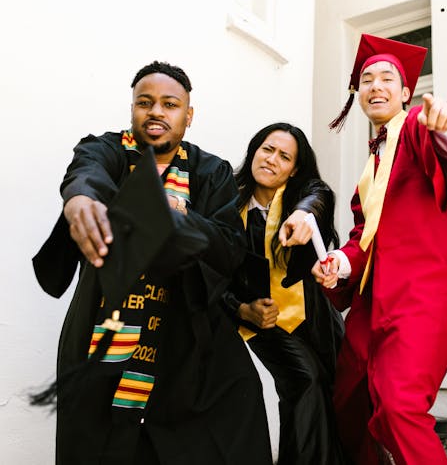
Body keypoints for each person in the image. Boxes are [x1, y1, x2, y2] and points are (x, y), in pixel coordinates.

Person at [31, 61, 272, 464]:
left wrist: (178, 218)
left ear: (188, 115)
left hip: (188, 337)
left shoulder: (211, 172)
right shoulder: (106, 149)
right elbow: (86, 174)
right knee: (102, 446)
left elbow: (229, 247)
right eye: (145, 102)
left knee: (222, 437)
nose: (156, 111)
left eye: (170, 104)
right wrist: (81, 201)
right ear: (133, 108)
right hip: (106, 326)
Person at [311, 34, 447, 464]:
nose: (376, 85)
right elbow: (365, 233)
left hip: (424, 293)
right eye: (367, 79)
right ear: (358, 94)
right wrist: (341, 262)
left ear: (405, 93)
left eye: (387, 78)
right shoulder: (372, 165)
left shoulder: (418, 127)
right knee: (350, 395)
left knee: (399, 406)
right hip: (375, 297)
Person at [222, 122, 346, 464]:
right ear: (253, 152)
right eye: (267, 149)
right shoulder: (228, 205)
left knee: (337, 391)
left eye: (284, 156)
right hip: (265, 317)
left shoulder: (304, 198)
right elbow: (215, 273)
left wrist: (304, 214)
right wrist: (240, 308)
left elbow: (319, 196)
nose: (272, 159)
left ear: (294, 168)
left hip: (316, 313)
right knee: (305, 380)